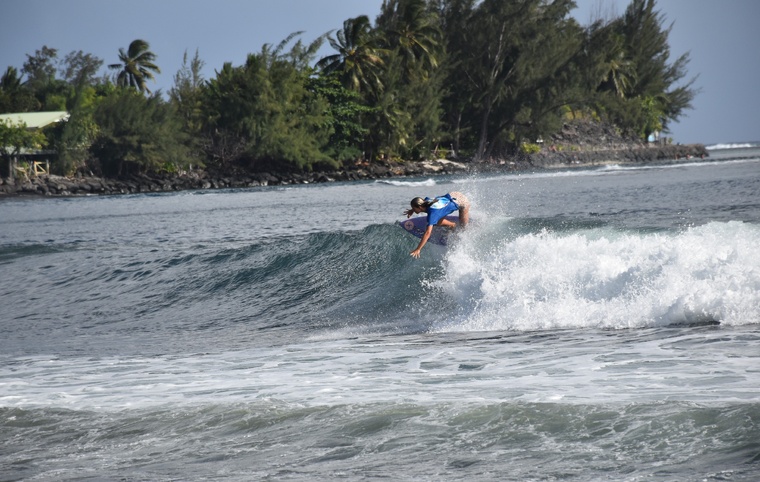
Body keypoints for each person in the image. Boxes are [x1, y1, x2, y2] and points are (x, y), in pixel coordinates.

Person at [404, 191, 470, 258]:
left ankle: (454, 226)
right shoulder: (426, 201)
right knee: (437, 221)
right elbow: (419, 204)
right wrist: (412, 210)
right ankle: (452, 225)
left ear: (420, 207)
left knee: (463, 228)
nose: (413, 209)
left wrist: (418, 249)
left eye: (414, 208)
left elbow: (428, 233)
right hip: (453, 194)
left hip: (463, 202)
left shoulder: (433, 214)